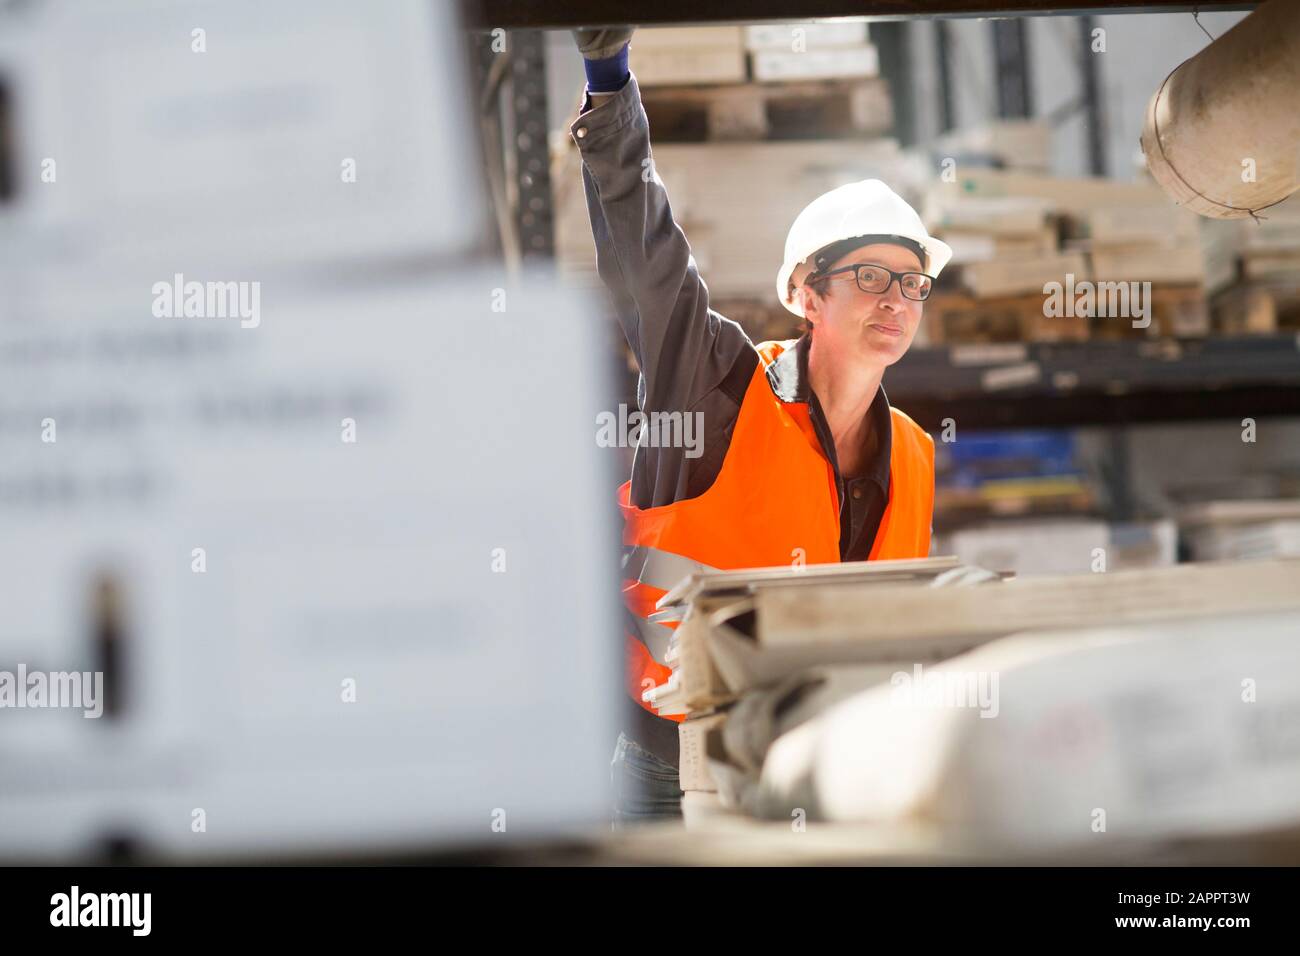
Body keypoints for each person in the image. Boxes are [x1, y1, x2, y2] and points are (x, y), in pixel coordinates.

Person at [570, 28, 951, 824]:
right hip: (660, 757)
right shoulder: (715, 382)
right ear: (808, 295)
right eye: (871, 276)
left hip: (812, 752)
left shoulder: (913, 453)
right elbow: (652, 262)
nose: (895, 300)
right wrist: (609, 80)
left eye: (911, 284)